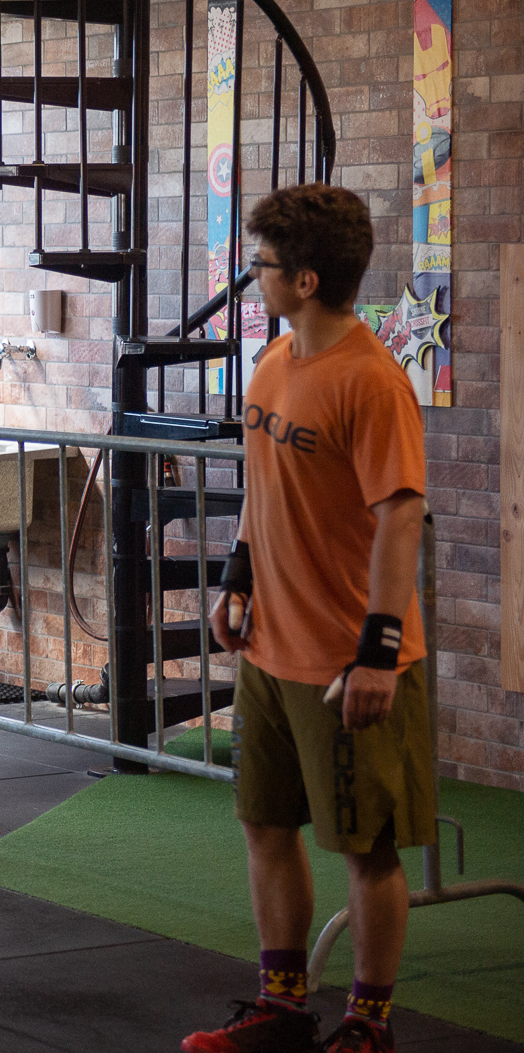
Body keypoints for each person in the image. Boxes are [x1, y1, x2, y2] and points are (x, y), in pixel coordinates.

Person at [184, 184, 430, 1053]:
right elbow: (264, 489)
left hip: (348, 660)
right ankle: (283, 1009)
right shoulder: (275, 363)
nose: (254, 279)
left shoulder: (371, 380)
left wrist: (378, 651)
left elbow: (401, 516)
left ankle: (370, 1024)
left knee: (367, 849)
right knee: (265, 825)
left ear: (307, 279)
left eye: (265, 267)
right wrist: (237, 578)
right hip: (270, 648)